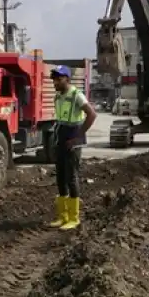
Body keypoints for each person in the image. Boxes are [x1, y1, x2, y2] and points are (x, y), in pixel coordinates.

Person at [48, 65, 97, 230]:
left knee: (71, 177)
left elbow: (92, 114)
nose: (55, 82)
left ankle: (74, 218)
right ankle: (63, 217)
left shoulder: (76, 95)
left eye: (58, 78)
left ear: (67, 79)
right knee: (60, 177)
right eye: (54, 78)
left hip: (72, 139)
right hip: (61, 138)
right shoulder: (58, 97)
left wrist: (77, 137)